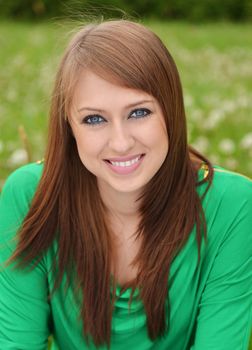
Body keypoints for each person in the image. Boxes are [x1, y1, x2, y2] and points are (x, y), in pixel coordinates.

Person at [0, 19, 251, 350]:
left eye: (139, 113)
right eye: (94, 119)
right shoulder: (32, 196)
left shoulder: (233, 206)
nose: (120, 143)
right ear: (69, 128)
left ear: (171, 110)